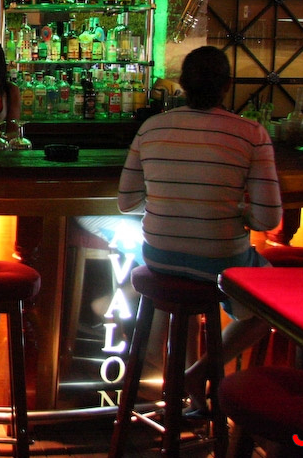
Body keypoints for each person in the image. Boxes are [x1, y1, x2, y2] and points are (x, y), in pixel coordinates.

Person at [117, 45, 282, 417]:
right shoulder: (251, 133)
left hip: (158, 259)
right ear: (227, 86)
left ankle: (174, 384)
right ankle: (198, 374)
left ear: (182, 85)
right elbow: (268, 219)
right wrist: (233, 209)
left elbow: (126, 202)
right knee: (272, 305)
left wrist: (169, 201)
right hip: (220, 262)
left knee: (190, 284)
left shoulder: (151, 128)